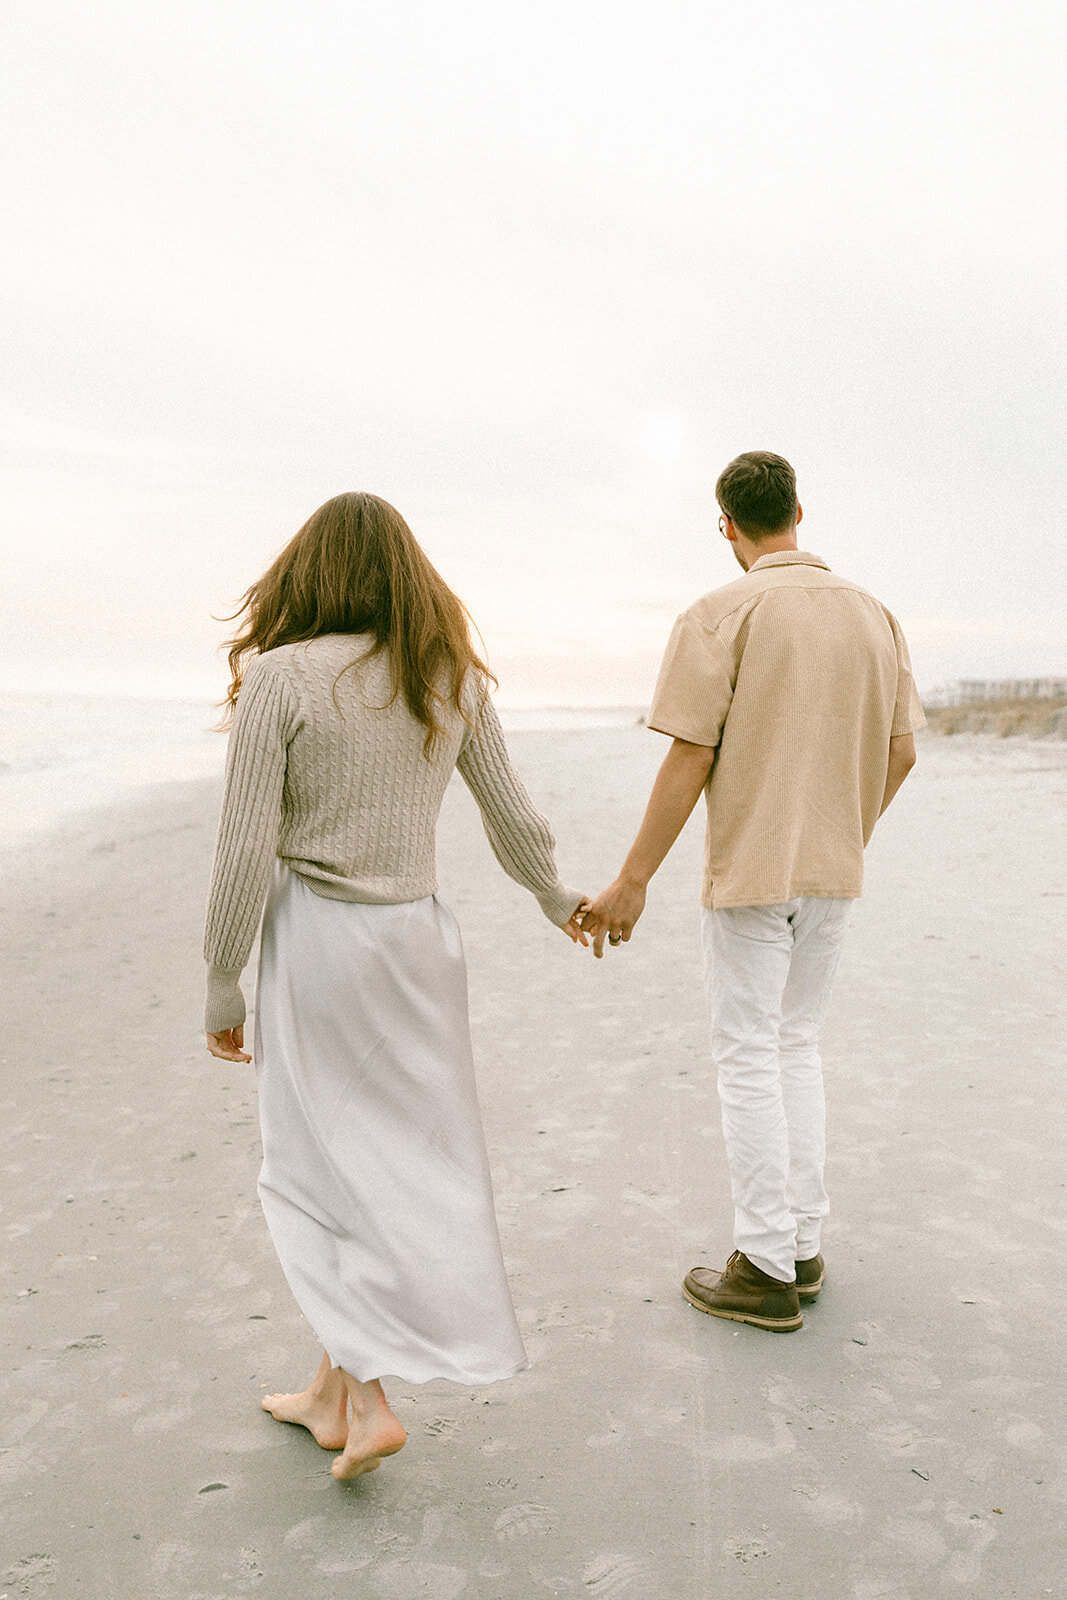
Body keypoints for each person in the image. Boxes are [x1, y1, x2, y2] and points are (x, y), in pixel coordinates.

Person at [203, 491, 587, 1478]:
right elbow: (510, 815)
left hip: (320, 947)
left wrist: (221, 978)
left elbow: (246, 846)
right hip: (417, 946)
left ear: (308, 571)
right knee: (382, 1154)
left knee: (314, 1162)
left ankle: (365, 1397)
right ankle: (327, 1394)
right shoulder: (445, 674)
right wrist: (556, 897)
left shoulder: (280, 678)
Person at [580, 451, 924, 1332]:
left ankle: (766, 1265)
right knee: (795, 1046)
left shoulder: (718, 613)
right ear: (799, 511)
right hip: (833, 870)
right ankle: (800, 1246)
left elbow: (690, 753)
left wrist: (632, 880)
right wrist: (844, 834)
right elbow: (902, 751)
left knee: (746, 1055)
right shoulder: (874, 615)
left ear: (726, 524)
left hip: (750, 875)